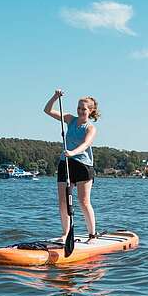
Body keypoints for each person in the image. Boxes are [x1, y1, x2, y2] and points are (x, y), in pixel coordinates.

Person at [43, 89, 100, 242]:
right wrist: (55, 97)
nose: (81, 111)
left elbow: (86, 144)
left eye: (84, 109)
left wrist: (73, 152)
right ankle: (66, 234)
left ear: (91, 111)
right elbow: (47, 110)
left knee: (83, 201)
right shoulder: (69, 119)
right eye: (79, 108)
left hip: (83, 165)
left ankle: (92, 235)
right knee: (63, 201)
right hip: (65, 163)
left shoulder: (90, 128)